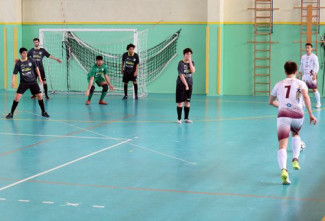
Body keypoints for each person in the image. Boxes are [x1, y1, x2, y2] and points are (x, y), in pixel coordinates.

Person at [269, 61, 317, 185]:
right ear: (296, 72)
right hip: (298, 114)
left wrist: (282, 106)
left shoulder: (279, 84)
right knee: (295, 134)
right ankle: (295, 159)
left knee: (282, 145)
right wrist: (311, 114)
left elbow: (271, 101)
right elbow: (306, 97)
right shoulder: (301, 83)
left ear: (285, 72)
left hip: (283, 115)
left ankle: (284, 171)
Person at [6, 47, 50, 119]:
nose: (25, 54)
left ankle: (43, 112)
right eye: (24, 53)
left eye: (26, 52)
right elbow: (14, 73)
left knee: (39, 96)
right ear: (20, 54)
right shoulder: (18, 63)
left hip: (33, 82)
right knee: (17, 98)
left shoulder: (31, 60)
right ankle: (11, 113)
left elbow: (37, 69)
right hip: (23, 83)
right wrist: (12, 81)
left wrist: (40, 78)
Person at [176, 48, 195, 124]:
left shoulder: (192, 62)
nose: (189, 55)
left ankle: (186, 118)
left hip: (190, 84)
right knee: (180, 102)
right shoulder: (180, 63)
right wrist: (186, 85)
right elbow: (181, 75)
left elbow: (193, 71)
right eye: (187, 54)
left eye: (190, 54)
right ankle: (179, 118)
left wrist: (190, 61)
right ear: (184, 55)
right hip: (181, 84)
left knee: (187, 101)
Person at [298, 43, 321, 108]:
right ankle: (302, 103)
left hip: (311, 75)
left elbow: (317, 66)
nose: (307, 49)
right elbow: (301, 65)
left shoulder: (314, 56)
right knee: (302, 89)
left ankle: (318, 103)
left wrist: (315, 74)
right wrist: (299, 72)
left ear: (311, 48)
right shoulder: (303, 56)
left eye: (308, 47)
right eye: (306, 47)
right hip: (305, 75)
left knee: (314, 89)